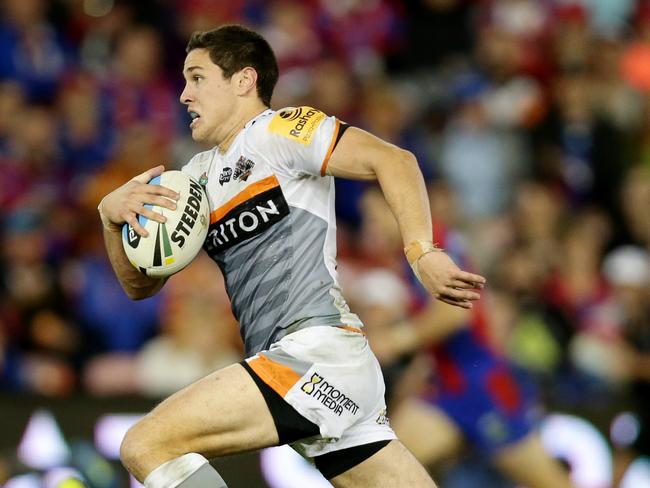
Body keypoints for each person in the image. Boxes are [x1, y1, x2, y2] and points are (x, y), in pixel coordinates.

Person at [97, 24, 486, 488]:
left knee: (146, 445)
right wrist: (110, 221)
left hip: (314, 355)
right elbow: (140, 285)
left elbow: (394, 160)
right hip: (320, 374)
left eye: (197, 78)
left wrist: (422, 252)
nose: (184, 95)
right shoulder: (195, 179)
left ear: (244, 81)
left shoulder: (279, 131)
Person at [353, 189, 574, 488]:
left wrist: (394, 340)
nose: (370, 226)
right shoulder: (416, 250)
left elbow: (455, 314)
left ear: (395, 207)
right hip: (448, 390)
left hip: (483, 389)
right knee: (380, 471)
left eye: (374, 215)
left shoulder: (430, 248)